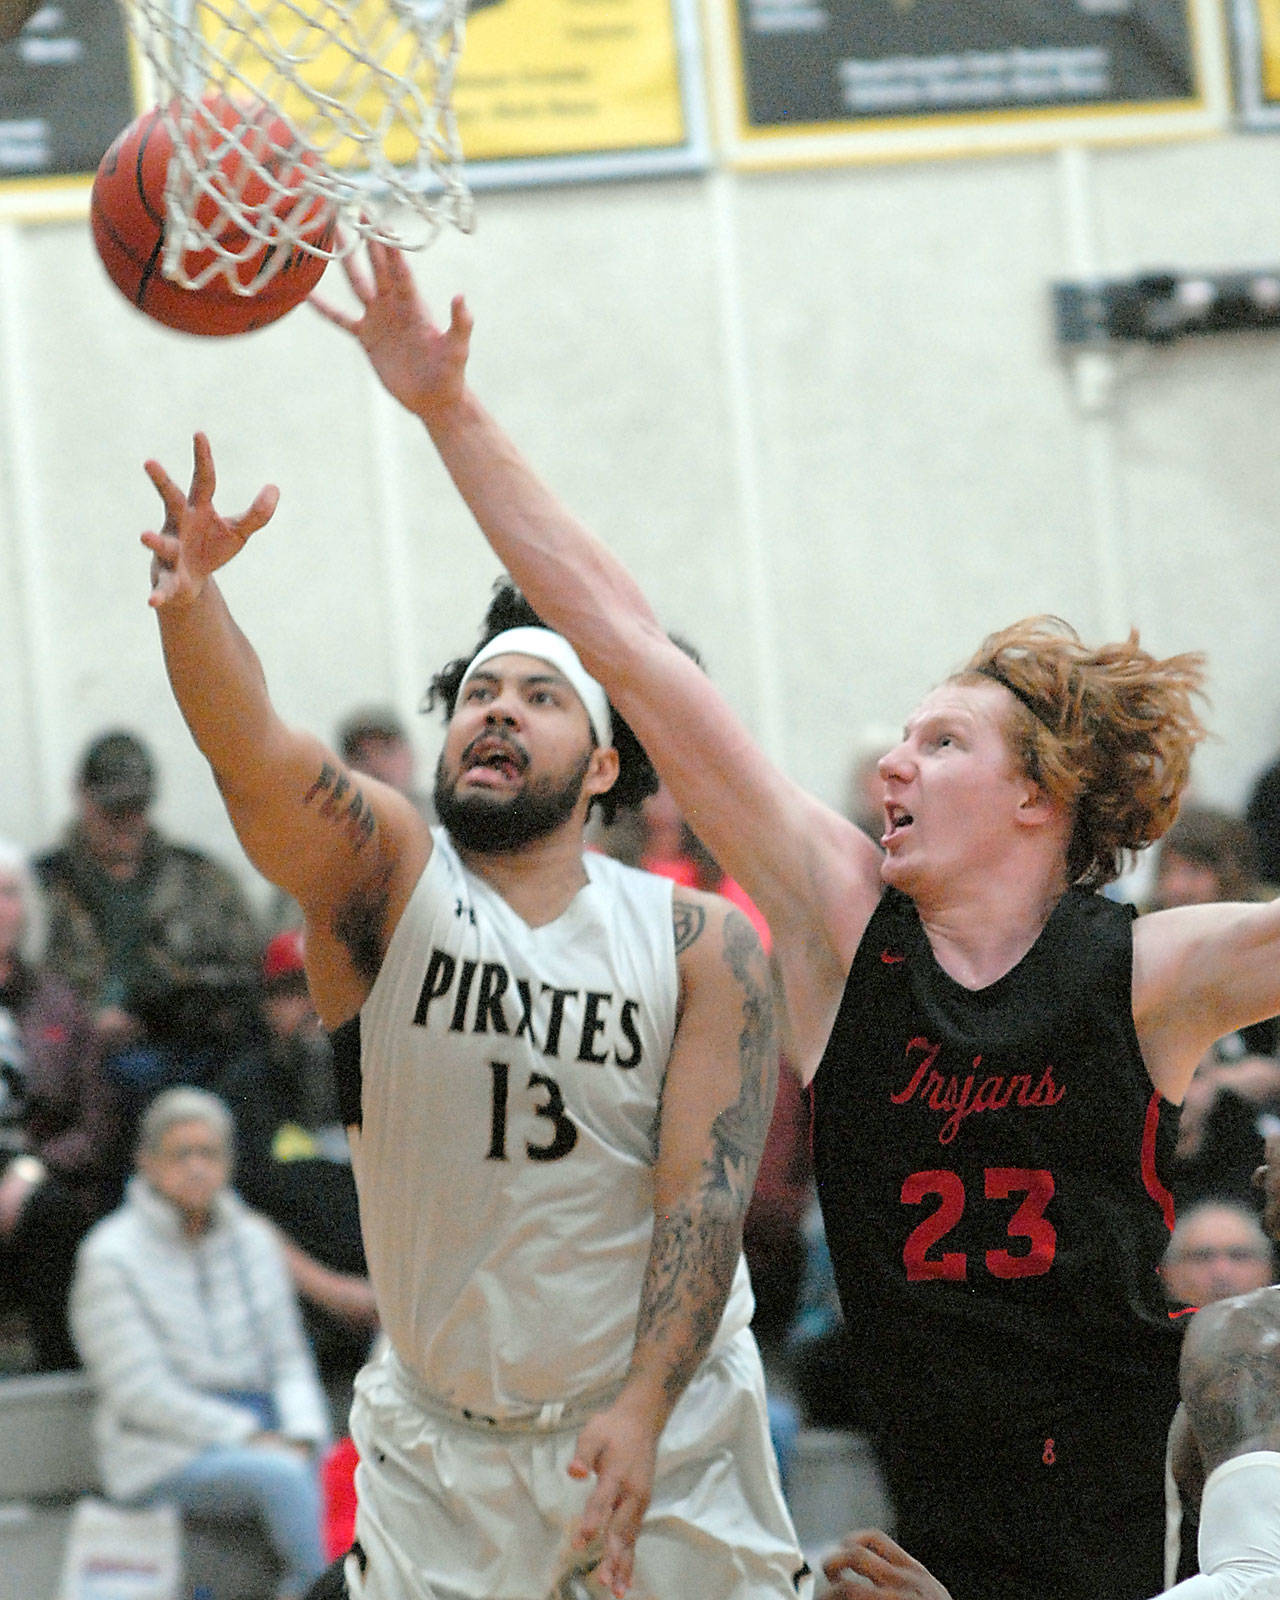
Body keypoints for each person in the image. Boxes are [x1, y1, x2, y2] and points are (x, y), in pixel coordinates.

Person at [308, 240, 1280, 1600]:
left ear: (1039, 795)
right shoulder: (842, 932)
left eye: (941, 744)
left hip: (1112, 1504)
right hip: (925, 1508)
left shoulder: (1151, 970)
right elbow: (631, 648)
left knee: (1252, 1340)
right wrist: (444, 407)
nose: (894, 761)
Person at [133, 436, 812, 1600]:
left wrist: (647, 1409)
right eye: (479, 693)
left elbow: (702, 1208)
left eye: (539, 698)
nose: (496, 713)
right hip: (440, 1448)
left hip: (663, 1424)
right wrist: (194, 605)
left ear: (603, 766)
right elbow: (254, 756)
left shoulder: (703, 942)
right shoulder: (389, 878)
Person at [69, 1086, 331, 1600]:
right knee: (280, 1476)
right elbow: (138, 1393)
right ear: (147, 1163)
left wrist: (303, 1431)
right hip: (161, 1447)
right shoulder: (109, 1254)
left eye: (208, 1153)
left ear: (228, 1161)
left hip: (269, 1432)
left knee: (353, 1464)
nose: (195, 1168)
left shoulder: (254, 1239)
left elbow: (290, 1361)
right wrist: (250, 1436)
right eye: (180, 1154)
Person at [35, 729, 263, 1182]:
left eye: (134, 808)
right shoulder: (42, 888)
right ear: (81, 798)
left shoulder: (201, 878)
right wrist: (89, 1025)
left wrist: (164, 1009)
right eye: (111, 809)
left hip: (196, 1051)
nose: (124, 822)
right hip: (87, 1067)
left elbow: (244, 973)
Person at [216, 929, 378, 1415]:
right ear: (266, 1007)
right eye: (292, 993)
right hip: (292, 1296)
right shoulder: (243, 1089)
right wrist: (334, 1291)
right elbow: (232, 1214)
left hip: (400, 1292)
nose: (312, 1005)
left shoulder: (395, 1079)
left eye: (326, 987)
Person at [0, 839, 118, 1370]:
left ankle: (60, 1368)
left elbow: (96, 1123)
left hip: (40, 1171)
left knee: (54, 1216)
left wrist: (30, 1170)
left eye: (8, 894)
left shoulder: (58, 1000)